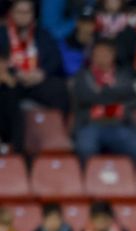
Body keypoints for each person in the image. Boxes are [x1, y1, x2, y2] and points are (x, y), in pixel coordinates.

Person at [0, 0, 68, 153]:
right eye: (20, 12)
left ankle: (59, 134)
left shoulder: (42, 34)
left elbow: (55, 59)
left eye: (27, 12)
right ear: (11, 13)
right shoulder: (2, 34)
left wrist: (42, 73)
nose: (24, 16)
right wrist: (14, 73)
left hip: (36, 79)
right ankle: (12, 144)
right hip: (13, 80)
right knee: (6, 92)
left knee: (59, 89)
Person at [72, 40, 136, 164]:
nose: (100, 56)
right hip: (91, 124)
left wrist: (101, 94)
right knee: (85, 148)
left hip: (118, 124)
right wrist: (116, 97)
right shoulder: (82, 76)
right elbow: (84, 97)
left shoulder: (124, 75)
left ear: (113, 55)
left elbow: (133, 98)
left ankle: (131, 181)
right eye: (97, 53)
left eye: (105, 53)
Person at [59, 6, 98, 77]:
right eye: (84, 22)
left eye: (91, 23)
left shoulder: (98, 44)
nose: (87, 26)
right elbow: (68, 69)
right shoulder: (65, 43)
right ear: (77, 23)